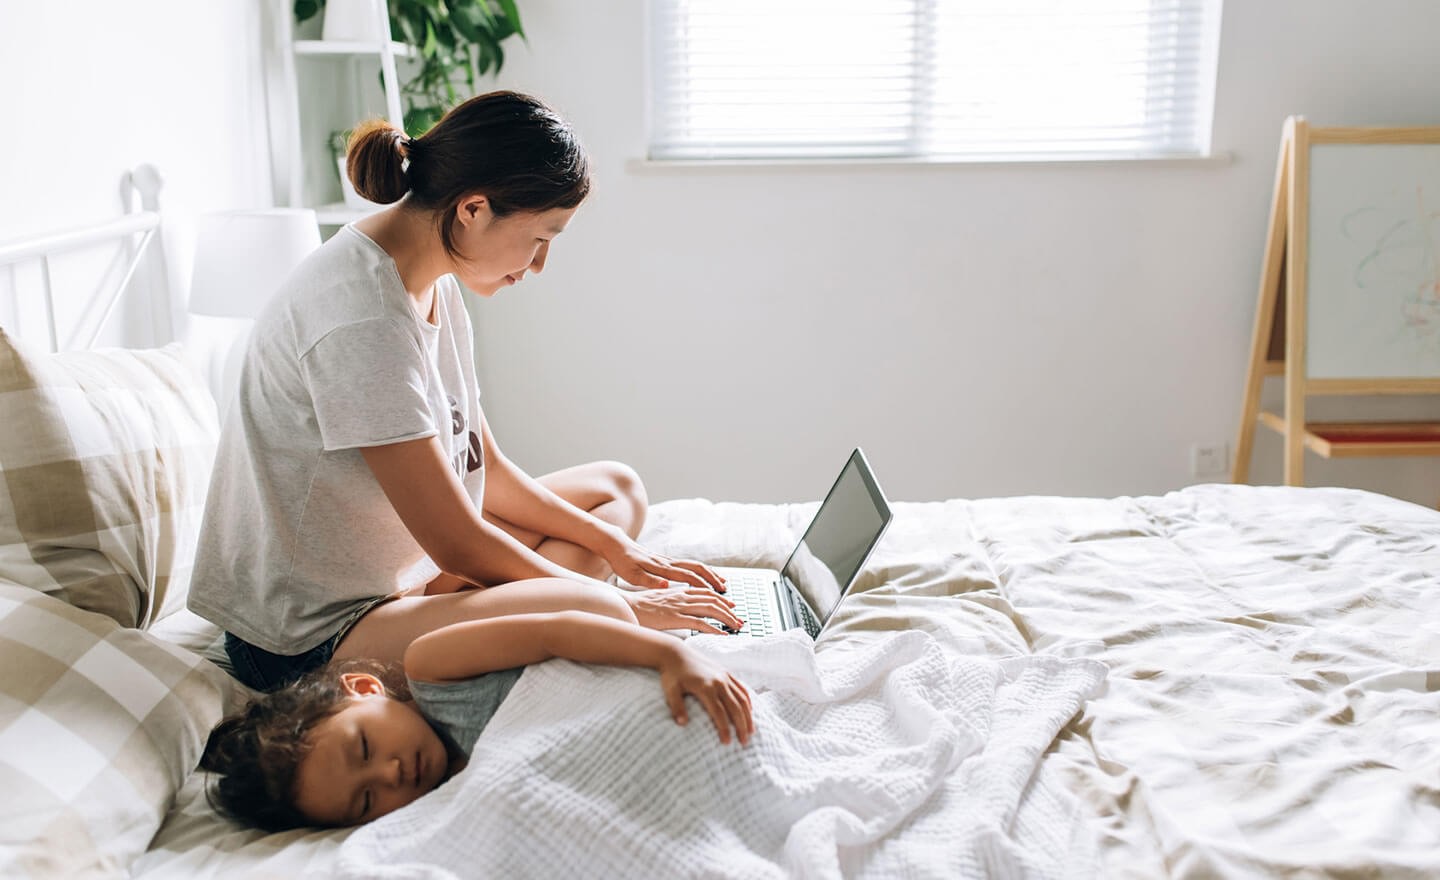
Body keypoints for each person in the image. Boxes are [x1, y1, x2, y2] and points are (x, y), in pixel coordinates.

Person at [189, 90, 742, 694]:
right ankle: (578, 620)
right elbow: (458, 543)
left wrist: (620, 553)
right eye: (541, 238)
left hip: (404, 576)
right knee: (601, 608)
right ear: (473, 209)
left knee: (617, 490)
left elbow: (485, 469)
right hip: (311, 637)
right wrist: (620, 609)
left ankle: (570, 614)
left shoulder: (433, 278)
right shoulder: (360, 315)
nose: (539, 265)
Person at [200, 600, 756, 831]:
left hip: (673, 696)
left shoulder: (434, 669)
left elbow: (552, 628)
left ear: (366, 689)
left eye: (365, 748)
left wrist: (671, 653)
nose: (391, 775)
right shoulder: (450, 796)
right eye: (366, 801)